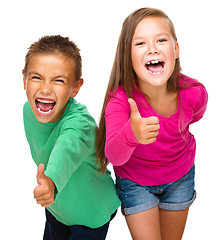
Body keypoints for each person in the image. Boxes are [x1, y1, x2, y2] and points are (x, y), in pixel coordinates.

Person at [96, 8, 208, 240]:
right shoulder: (120, 101)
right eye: (140, 44)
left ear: (175, 49)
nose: (153, 49)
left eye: (161, 40)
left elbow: (195, 116)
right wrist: (131, 134)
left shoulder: (194, 93)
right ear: (128, 56)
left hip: (180, 177)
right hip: (136, 183)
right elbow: (114, 155)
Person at [22, 35, 120, 240]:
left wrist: (51, 182)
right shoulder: (28, 110)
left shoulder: (79, 124)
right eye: (37, 77)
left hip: (90, 214)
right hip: (58, 209)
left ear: (75, 88)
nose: (46, 88)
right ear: (24, 80)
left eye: (58, 80)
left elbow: (66, 149)